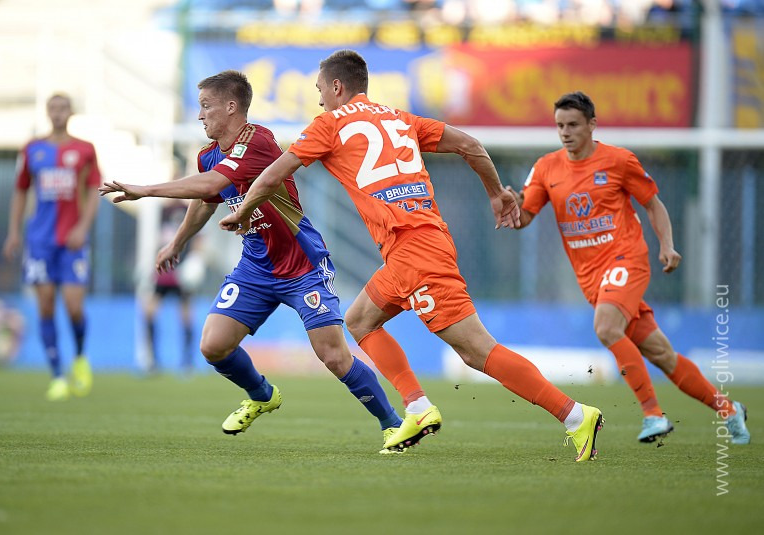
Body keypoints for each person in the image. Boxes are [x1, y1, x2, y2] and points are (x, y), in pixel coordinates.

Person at [219, 49, 604, 461]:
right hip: (415, 245)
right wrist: (496, 193)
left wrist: (243, 210)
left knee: (475, 350)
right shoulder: (401, 118)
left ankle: (574, 414)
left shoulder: (329, 124)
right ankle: (418, 407)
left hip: (415, 251)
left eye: (320, 90)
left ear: (337, 86)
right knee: (360, 319)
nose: (318, 99)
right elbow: (470, 145)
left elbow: (274, 174)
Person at [99, 70, 408, 452]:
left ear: (231, 107)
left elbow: (213, 184)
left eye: (206, 106)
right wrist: (177, 243)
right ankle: (262, 394)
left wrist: (145, 189)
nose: (200, 115)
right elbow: (206, 200)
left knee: (332, 355)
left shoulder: (257, 141)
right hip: (255, 268)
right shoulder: (208, 155)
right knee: (213, 346)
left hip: (302, 265)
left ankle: (392, 424)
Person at [508, 91, 750, 444]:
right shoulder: (546, 168)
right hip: (591, 278)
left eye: (573, 125)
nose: (565, 132)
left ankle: (653, 415)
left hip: (627, 260)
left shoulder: (618, 161)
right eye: (560, 125)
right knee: (661, 354)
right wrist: (512, 207)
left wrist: (666, 245)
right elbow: (525, 218)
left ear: (592, 124)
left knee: (606, 327)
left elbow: (653, 204)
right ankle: (729, 409)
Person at [3, 93, 100, 402]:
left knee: (73, 306)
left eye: (63, 108)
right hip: (40, 241)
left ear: (71, 112)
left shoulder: (85, 149)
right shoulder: (32, 149)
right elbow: (20, 191)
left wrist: (82, 227)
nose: (58, 113)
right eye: (53, 108)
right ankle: (57, 376)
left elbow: (94, 190)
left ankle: (80, 357)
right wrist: (14, 232)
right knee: (45, 305)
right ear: (47, 112)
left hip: (72, 242)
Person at [143, 198, 196, 375]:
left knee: (186, 316)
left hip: (183, 271)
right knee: (150, 312)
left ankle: (187, 362)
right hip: (165, 270)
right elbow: (158, 239)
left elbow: (198, 239)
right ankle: (152, 361)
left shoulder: (189, 208)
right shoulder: (162, 211)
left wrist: (194, 263)